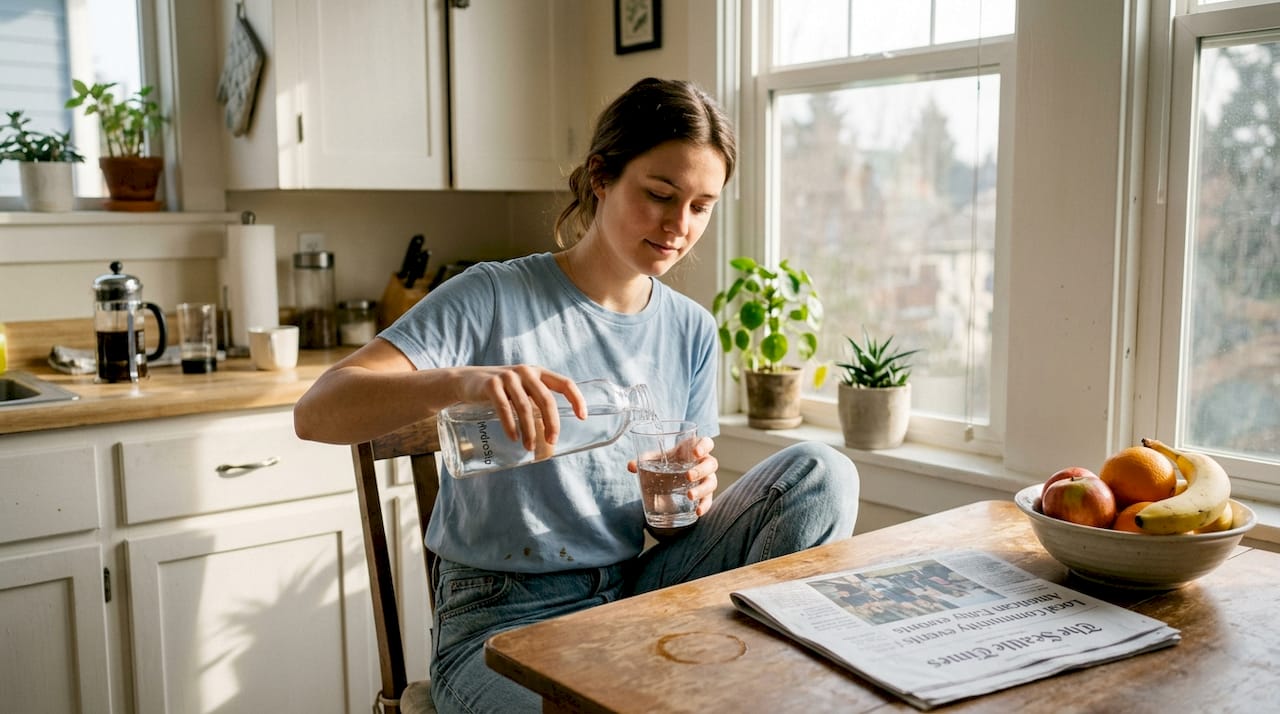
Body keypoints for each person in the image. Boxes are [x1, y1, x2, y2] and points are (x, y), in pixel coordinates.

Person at [294, 77, 860, 713]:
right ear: (601, 176)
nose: (679, 225)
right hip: (498, 622)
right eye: (660, 195)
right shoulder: (491, 295)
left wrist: (683, 499)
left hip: (634, 596)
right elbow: (317, 411)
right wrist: (462, 380)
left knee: (823, 473)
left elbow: (665, 532)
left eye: (701, 206)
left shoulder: (691, 329)